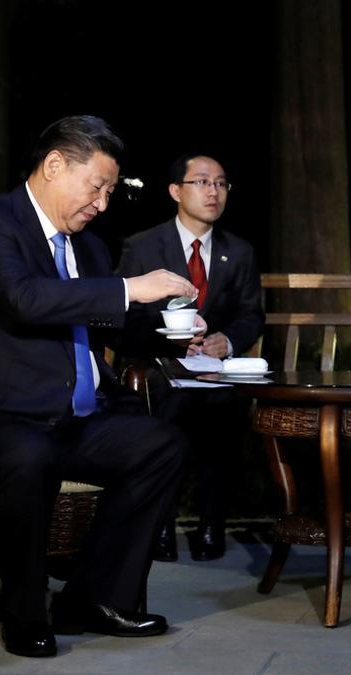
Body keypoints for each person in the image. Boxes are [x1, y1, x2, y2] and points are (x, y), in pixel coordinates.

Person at [0, 116, 197, 658]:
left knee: (161, 445)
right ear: (55, 166)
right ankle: (25, 613)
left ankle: (96, 598)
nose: (102, 203)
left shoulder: (91, 248)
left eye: (108, 191)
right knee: (29, 457)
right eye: (96, 186)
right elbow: (23, 299)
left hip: (73, 418)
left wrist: (179, 335)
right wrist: (129, 287)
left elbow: (117, 323)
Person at [116, 153, 264, 562]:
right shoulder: (143, 246)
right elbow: (121, 316)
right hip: (159, 364)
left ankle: (211, 526)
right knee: (167, 401)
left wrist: (227, 342)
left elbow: (252, 314)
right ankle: (160, 527)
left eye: (220, 183)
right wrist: (168, 340)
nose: (213, 191)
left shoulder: (240, 251)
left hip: (214, 370)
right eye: (201, 182)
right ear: (175, 191)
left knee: (227, 406)